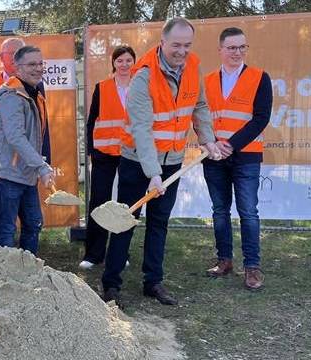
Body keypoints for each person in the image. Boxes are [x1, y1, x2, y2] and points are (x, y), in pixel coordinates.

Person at [100, 18, 222, 307]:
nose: (182, 51)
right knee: (125, 221)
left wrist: (207, 139)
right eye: (176, 45)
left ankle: (153, 282)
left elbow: (200, 105)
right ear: (162, 42)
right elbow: (141, 129)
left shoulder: (193, 66)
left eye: (187, 45)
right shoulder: (143, 76)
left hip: (173, 161)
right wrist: (153, 173)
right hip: (137, 162)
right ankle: (111, 284)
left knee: (159, 222)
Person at [202, 27, 272, 290]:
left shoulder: (259, 77)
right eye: (232, 47)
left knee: (248, 212)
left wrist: (231, 145)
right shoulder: (207, 81)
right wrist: (211, 143)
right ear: (220, 50)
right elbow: (199, 117)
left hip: (246, 156)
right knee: (219, 211)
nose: (237, 52)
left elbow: (261, 118)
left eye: (242, 47)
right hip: (213, 156)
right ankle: (225, 260)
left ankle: (252, 267)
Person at [0, 45, 54, 255]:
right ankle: (1, 273)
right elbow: (15, 136)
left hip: (26, 174)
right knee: (5, 232)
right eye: (32, 64)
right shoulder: (12, 96)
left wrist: (38, 165)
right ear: (17, 68)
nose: (38, 68)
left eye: (40, 63)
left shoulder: (33, 94)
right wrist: (41, 166)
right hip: (7, 174)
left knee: (33, 223)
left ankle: (27, 269)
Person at [81, 45, 136, 269]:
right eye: (120, 60)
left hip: (131, 153)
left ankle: (120, 253)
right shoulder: (102, 87)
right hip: (103, 154)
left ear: (134, 63)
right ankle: (93, 254)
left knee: (125, 204)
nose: (124, 64)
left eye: (128, 60)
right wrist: (91, 150)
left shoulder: (140, 87)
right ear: (113, 63)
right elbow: (91, 121)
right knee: (99, 202)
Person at [0, 38, 50, 160]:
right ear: (1, 57)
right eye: (12, 53)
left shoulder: (37, 85)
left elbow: (41, 124)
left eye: (20, 52)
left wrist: (46, 159)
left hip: (29, 158)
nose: (16, 57)